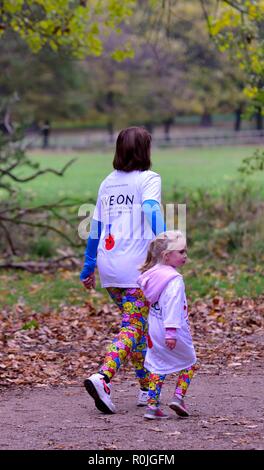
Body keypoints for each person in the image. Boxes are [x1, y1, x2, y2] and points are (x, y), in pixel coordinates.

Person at [80, 126, 166, 414]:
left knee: (137, 328)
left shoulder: (108, 182)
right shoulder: (148, 179)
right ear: (144, 151)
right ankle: (103, 378)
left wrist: (89, 265)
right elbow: (153, 210)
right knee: (133, 326)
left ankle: (146, 390)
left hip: (110, 269)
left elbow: (94, 228)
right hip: (136, 269)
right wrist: (167, 246)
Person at [137, 230, 196, 420]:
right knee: (189, 362)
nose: (185, 255)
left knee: (158, 365)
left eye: (185, 251)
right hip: (173, 330)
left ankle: (152, 407)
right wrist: (171, 332)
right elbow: (172, 305)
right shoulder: (174, 280)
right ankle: (178, 397)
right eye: (181, 252)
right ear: (166, 255)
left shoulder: (152, 276)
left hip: (154, 330)